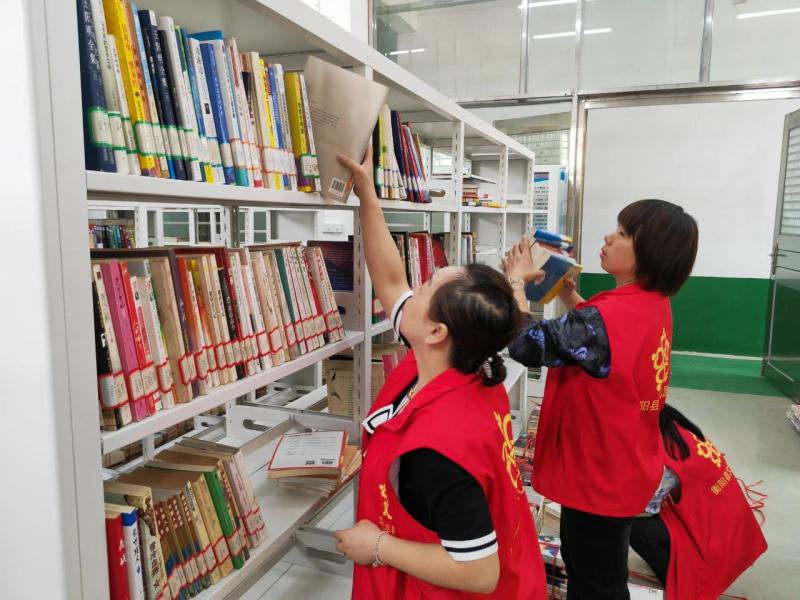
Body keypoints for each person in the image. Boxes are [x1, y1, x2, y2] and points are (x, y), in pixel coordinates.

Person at [332, 146, 547, 600]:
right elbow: (390, 280)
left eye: (425, 287)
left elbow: (479, 573)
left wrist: (377, 546)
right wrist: (367, 194)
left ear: (437, 331)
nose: (411, 290)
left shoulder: (436, 450)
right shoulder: (467, 369)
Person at [503, 199, 699, 600]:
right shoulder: (648, 303)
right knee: (591, 569)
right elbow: (602, 344)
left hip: (598, 474)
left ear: (649, 252)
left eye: (622, 233)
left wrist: (515, 284)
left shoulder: (605, 318)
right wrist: (569, 295)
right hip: (622, 463)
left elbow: (526, 345)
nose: (608, 237)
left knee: (597, 583)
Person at [629, 404, 768, 600]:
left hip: (716, 546)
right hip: (729, 532)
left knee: (630, 525)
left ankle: (680, 578)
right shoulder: (674, 426)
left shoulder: (665, 456)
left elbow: (643, 507)